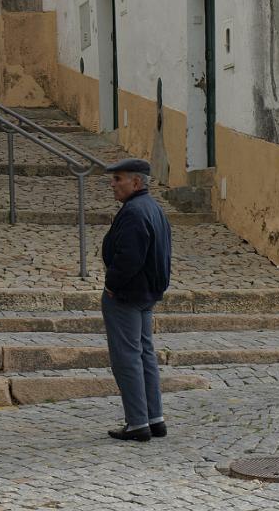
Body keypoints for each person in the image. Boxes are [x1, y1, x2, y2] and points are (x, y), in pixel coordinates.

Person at [101, 157, 172, 442]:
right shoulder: (153, 208)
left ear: (136, 182)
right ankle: (154, 418)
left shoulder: (134, 212)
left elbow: (129, 258)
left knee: (127, 358)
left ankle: (137, 423)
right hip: (145, 294)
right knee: (144, 355)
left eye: (118, 179)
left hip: (128, 295)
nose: (113, 184)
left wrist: (111, 284)